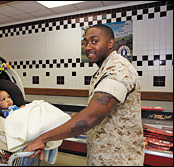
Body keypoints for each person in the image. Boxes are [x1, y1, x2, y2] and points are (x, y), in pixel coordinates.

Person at [24, 24, 144, 166]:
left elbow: (91, 116)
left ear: (111, 43)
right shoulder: (103, 70)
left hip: (118, 160)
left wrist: (43, 138)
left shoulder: (117, 69)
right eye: (85, 43)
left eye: (94, 41)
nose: (87, 47)